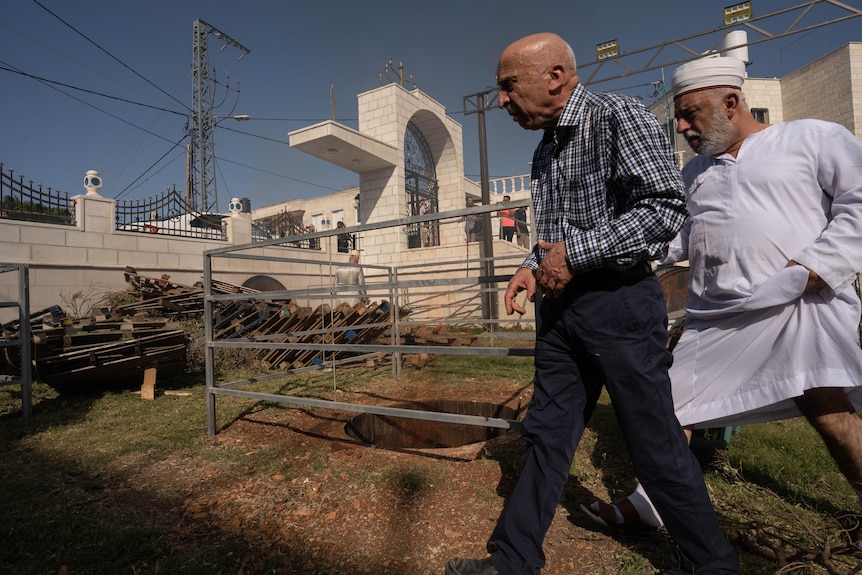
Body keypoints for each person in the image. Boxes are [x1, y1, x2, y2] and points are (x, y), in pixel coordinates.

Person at [445, 33, 740, 575]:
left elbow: (664, 209)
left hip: (618, 304)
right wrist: (533, 267)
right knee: (546, 435)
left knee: (655, 444)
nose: (503, 101)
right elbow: (555, 239)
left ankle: (716, 566)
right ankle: (512, 561)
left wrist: (572, 256)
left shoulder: (616, 116)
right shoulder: (545, 148)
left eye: (508, 87)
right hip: (561, 313)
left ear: (554, 76)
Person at [584, 56, 862, 550]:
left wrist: (817, 268)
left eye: (691, 115)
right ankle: (651, 504)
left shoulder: (812, 138)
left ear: (731, 103)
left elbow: (858, 202)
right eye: (680, 117)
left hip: (799, 304)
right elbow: (678, 239)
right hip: (718, 319)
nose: (683, 127)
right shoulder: (694, 173)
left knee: (829, 414)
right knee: (667, 409)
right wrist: (609, 244)